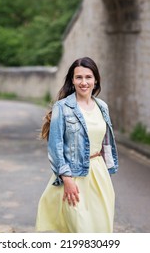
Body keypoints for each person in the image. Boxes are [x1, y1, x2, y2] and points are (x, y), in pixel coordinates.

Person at [35, 56, 119, 233]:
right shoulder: (62, 107)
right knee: (80, 228)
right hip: (73, 176)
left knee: (101, 229)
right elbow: (55, 146)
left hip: (99, 175)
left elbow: (106, 144)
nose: (84, 82)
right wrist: (67, 179)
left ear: (95, 80)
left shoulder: (102, 106)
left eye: (88, 77)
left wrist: (108, 169)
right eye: (78, 77)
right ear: (72, 81)